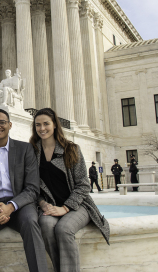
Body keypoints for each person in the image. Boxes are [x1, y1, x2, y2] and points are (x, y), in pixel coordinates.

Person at [31, 108, 110, 272]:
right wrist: (42, 203)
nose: (42, 128)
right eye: (38, 125)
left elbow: (83, 185)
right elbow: (31, 185)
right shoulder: (32, 152)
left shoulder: (71, 149)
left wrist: (65, 208)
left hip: (77, 205)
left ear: (54, 125)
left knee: (64, 229)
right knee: (45, 225)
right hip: (50, 205)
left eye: (46, 123)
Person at [0, 109, 47, 272]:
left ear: (10, 125)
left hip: (20, 203)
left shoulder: (26, 149)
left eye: (2, 122)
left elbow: (32, 188)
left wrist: (11, 206)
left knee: (30, 222)